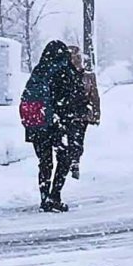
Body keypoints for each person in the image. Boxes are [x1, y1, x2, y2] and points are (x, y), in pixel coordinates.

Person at [21, 40, 85, 212]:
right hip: (57, 123)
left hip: (37, 123)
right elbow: (72, 97)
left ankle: (44, 197)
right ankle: (55, 195)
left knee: (45, 161)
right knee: (64, 157)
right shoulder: (64, 70)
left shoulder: (39, 70)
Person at [67, 45, 101, 180]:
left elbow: (94, 96)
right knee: (71, 138)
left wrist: (96, 114)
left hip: (82, 113)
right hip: (67, 113)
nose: (76, 60)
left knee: (78, 139)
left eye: (78, 57)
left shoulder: (88, 76)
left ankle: (75, 161)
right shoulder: (64, 75)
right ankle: (72, 161)